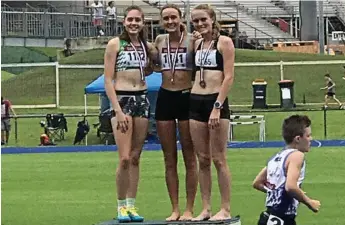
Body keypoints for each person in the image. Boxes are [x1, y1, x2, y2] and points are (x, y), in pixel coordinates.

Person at [104, 5, 157, 223]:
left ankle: (132, 205)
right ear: (124, 21)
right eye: (130, 20)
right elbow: (108, 79)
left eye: (138, 20)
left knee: (136, 156)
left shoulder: (146, 46)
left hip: (142, 99)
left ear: (143, 23)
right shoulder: (115, 44)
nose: (134, 23)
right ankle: (120, 206)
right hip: (122, 100)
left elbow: (153, 66)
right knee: (124, 157)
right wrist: (117, 108)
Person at [189, 4, 235, 221]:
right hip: (195, 100)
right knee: (203, 158)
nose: (200, 24)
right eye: (196, 21)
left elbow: (229, 76)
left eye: (203, 20)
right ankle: (206, 207)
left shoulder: (224, 42)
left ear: (212, 19)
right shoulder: (197, 43)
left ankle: (225, 207)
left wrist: (217, 106)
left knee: (219, 158)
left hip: (216, 102)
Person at [154, 4, 198, 221]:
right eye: (166, 18)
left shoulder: (193, 40)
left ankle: (190, 208)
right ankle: (175, 208)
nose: (170, 21)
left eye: (173, 17)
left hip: (186, 96)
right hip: (165, 97)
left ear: (181, 18)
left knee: (190, 156)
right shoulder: (159, 41)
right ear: (161, 21)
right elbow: (151, 63)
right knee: (169, 157)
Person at [253, 115, 321, 225]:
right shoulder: (297, 155)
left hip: (268, 217)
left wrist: (276, 192)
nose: (311, 139)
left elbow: (257, 183)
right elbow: (290, 186)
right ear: (298, 139)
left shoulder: (276, 157)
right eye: (308, 136)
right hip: (282, 218)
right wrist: (309, 202)